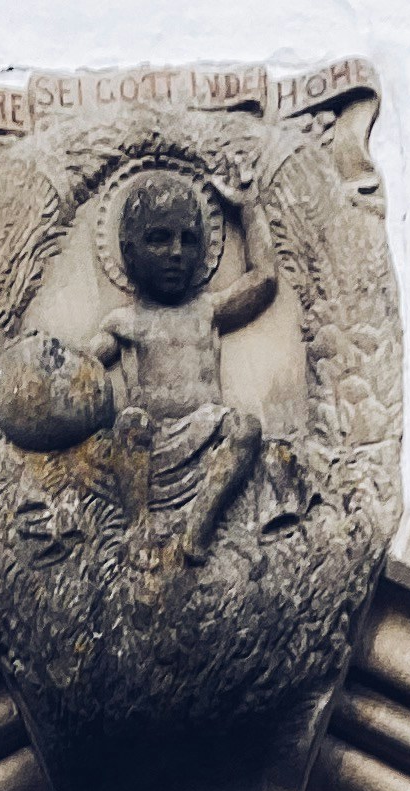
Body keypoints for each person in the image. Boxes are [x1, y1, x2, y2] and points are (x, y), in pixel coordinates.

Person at [91, 164, 278, 564]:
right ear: (128, 249)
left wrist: (248, 210)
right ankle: (137, 528)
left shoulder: (206, 311)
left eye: (188, 240)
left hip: (208, 433)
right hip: (150, 442)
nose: (176, 253)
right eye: (159, 239)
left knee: (245, 427)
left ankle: (197, 530)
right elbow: (83, 371)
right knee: (129, 424)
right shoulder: (123, 322)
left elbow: (263, 280)